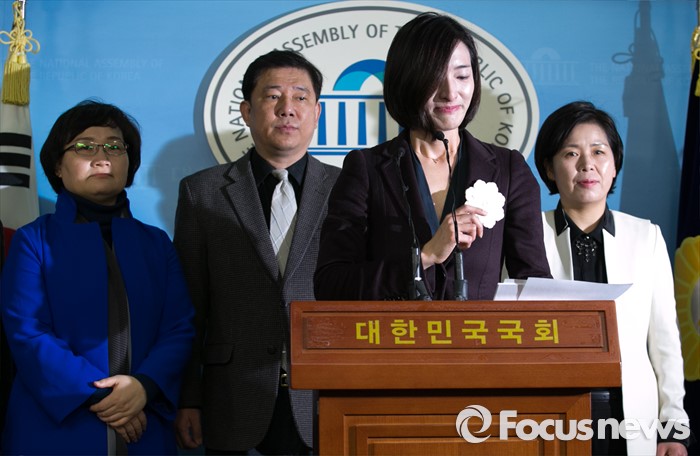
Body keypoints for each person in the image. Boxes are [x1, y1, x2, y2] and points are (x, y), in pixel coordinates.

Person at [0, 100, 195, 455]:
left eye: (115, 146)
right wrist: (103, 396)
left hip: (145, 418)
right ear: (58, 166)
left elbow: (179, 328)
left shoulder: (156, 243)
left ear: (129, 162)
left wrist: (143, 386)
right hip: (57, 424)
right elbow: (28, 331)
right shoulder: (33, 240)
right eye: (84, 146)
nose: (102, 157)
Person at [314, 12, 550, 301]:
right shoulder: (367, 169)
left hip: (478, 332)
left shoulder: (508, 169)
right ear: (407, 81)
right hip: (395, 331)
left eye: (462, 76)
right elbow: (331, 283)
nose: (450, 93)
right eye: (435, 78)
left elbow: (535, 284)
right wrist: (425, 257)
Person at [173, 50, 340, 455]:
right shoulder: (201, 192)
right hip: (233, 398)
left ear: (317, 113)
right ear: (247, 111)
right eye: (273, 96)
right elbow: (188, 306)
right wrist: (188, 397)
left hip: (324, 398)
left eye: (301, 97)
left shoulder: (348, 189)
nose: (287, 109)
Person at [534, 100, 692, 456]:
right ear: (549, 168)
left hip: (629, 415)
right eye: (571, 153)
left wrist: (674, 429)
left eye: (598, 152)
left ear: (615, 163)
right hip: (548, 416)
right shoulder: (526, 235)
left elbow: (665, 342)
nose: (587, 164)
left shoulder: (646, 236)